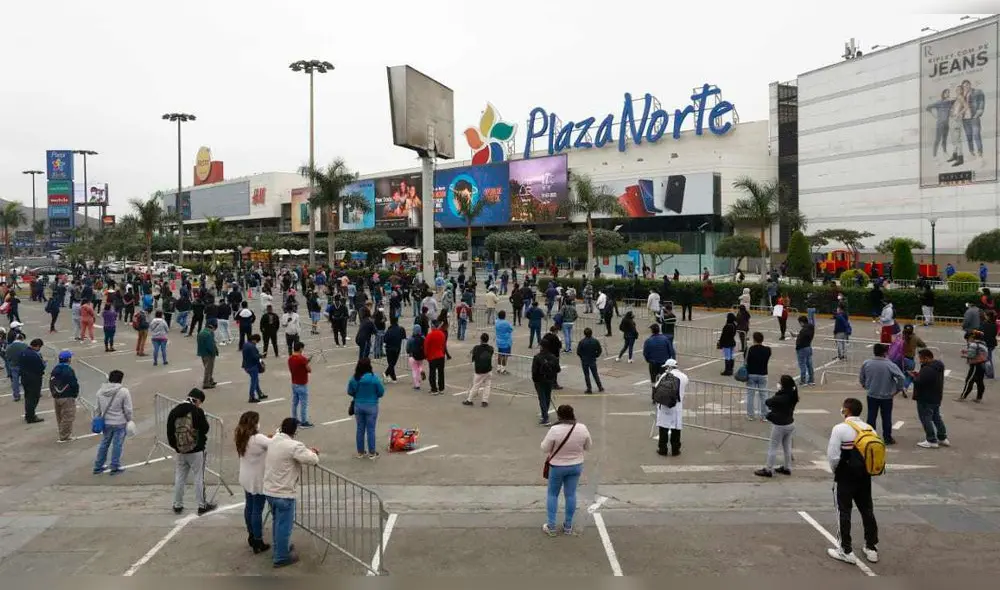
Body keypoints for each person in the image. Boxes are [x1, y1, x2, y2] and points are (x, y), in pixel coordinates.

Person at [825, 398, 879, 566]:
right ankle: (871, 547)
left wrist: (837, 471)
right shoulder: (870, 429)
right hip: (865, 475)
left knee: (844, 511)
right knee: (867, 510)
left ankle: (845, 550)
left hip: (846, 475)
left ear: (846, 411)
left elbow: (833, 455)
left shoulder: (840, 428)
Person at [263, 417, 319, 568]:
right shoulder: (294, 445)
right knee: (284, 526)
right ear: (294, 431)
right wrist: (313, 452)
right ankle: (281, 556)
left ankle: (279, 549)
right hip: (284, 492)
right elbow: (312, 459)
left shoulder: (274, 440)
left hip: (270, 490)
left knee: (277, 522)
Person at [540, 405, 592, 536]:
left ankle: (551, 526)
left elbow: (545, 448)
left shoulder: (554, 429)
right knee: (570, 494)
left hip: (557, 466)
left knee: (553, 494)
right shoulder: (582, 428)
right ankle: (568, 525)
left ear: (559, 416)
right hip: (576, 465)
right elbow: (588, 446)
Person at [168, 388, 217, 515]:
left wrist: (176, 447)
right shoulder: (197, 411)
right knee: (198, 477)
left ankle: (177, 504)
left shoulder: (174, 411)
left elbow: (169, 432)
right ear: (198, 400)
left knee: (179, 477)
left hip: (180, 450)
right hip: (196, 450)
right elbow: (205, 429)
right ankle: (202, 505)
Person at [234, 410, 272, 554]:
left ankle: (251, 534)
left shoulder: (241, 436)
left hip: (245, 477)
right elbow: (273, 443)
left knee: (249, 506)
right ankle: (258, 539)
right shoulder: (258, 438)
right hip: (257, 479)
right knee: (257, 510)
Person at [858, 343, 905, 444]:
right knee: (886, 417)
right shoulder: (890, 365)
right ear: (885, 353)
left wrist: (864, 385)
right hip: (886, 395)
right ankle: (887, 438)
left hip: (872, 394)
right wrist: (898, 389)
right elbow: (901, 377)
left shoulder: (867, 363)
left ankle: (870, 437)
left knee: (871, 416)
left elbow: (861, 376)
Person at [753, 374, 799, 477]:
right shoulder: (793, 394)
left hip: (780, 425)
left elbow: (768, 402)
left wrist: (778, 393)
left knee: (773, 447)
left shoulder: (781, 397)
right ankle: (787, 467)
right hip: (790, 423)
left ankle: (769, 469)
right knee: (787, 447)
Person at [92, 370, 134, 474]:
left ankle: (98, 465)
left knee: (104, 443)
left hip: (106, 422)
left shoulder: (100, 392)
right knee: (117, 445)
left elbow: (97, 409)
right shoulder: (124, 391)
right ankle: (115, 466)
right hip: (120, 421)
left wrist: (98, 419)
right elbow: (128, 409)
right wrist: (129, 420)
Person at [910, 348, 950, 449]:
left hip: (925, 398)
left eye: (921, 359)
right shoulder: (937, 366)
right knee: (936, 417)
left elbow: (919, 382)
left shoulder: (927, 369)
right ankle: (942, 437)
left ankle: (931, 440)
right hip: (936, 397)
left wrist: (913, 377)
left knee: (925, 418)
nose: (920, 361)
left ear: (927, 358)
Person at [348, 358, 385, 459]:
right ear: (369, 366)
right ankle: (372, 452)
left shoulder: (354, 379)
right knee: (371, 430)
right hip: (371, 406)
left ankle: (360, 452)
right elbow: (381, 392)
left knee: (360, 429)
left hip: (358, 406)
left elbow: (350, 391)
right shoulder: (374, 378)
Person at [655, 358, 688, 456]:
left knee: (663, 427)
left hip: (665, 404)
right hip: (677, 405)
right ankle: (675, 450)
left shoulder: (665, 376)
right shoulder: (684, 377)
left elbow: (656, 386)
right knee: (676, 428)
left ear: (669, 367)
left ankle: (662, 449)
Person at [49, 350, 80, 442]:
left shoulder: (55, 369)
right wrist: (75, 394)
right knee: (68, 416)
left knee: (60, 416)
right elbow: (73, 383)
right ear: (68, 359)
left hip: (57, 396)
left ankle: (62, 432)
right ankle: (65, 436)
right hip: (67, 396)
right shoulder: (68, 370)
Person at [531, 340, 561, 426]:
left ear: (541, 346)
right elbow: (558, 369)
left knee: (542, 398)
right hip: (550, 379)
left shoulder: (537, 357)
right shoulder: (553, 357)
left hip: (540, 380)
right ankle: (545, 413)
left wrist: (535, 379)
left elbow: (534, 371)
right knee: (547, 397)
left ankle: (545, 417)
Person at [19, 338, 47, 424]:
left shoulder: (23, 352)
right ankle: (31, 416)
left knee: (28, 397)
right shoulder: (34, 355)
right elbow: (41, 367)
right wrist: (44, 363)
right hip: (34, 379)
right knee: (33, 398)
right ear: (37, 346)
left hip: (25, 378)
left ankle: (28, 415)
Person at [745, 332, 772, 420]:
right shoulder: (767, 350)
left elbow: (746, 361)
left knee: (750, 395)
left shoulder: (749, 349)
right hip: (763, 374)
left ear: (754, 340)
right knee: (763, 395)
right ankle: (764, 415)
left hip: (751, 373)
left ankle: (750, 415)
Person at [463, 333, 494, 407]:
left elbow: (472, 358)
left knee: (476, 385)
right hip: (488, 369)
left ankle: (469, 400)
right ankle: (485, 401)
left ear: (481, 339)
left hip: (479, 370)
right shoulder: (491, 348)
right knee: (487, 385)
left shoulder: (476, 348)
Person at [958, 330, 988, 402]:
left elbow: (972, 355)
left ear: (971, 337)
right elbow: (978, 352)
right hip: (982, 365)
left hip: (975, 365)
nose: (967, 341)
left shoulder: (973, 344)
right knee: (979, 381)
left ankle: (963, 396)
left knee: (969, 380)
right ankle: (979, 398)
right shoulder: (983, 343)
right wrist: (966, 351)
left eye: (967, 339)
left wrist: (964, 356)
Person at [576, 327, 604, 394]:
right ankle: (600, 387)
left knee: (586, 375)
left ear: (584, 334)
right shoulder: (595, 341)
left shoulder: (582, 342)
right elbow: (599, 350)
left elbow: (578, 352)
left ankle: (589, 388)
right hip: (592, 359)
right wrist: (596, 355)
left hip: (585, 360)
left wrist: (582, 357)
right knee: (595, 374)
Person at [424, 320, 447, 395]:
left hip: (432, 356)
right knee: (441, 373)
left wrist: (426, 356)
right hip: (441, 355)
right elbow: (443, 345)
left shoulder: (429, 335)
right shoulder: (442, 334)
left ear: (433, 326)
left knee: (432, 373)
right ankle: (441, 388)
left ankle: (434, 389)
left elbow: (426, 347)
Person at [242, 334, 267, 403]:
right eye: (257, 341)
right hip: (252, 366)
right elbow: (255, 357)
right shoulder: (252, 346)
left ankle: (260, 393)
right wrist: (261, 356)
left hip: (247, 365)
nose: (257, 343)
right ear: (255, 340)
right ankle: (251, 397)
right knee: (254, 382)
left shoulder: (246, 344)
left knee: (256, 380)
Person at [5, 332, 27, 403]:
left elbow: (7, 357)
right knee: (26, 380)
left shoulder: (9, 347)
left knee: (15, 382)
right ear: (21, 339)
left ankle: (16, 396)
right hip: (23, 366)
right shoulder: (24, 346)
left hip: (14, 366)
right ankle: (28, 393)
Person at [383, 315, 405, 383]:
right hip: (397, 348)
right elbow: (403, 337)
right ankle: (388, 374)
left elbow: (385, 339)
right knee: (393, 363)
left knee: (391, 363)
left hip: (389, 348)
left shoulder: (389, 330)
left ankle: (393, 377)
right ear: (397, 321)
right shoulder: (401, 329)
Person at [197, 320, 219, 389]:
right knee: (209, 369)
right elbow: (211, 345)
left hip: (202, 352)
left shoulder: (201, 332)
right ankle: (206, 383)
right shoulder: (209, 333)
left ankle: (210, 380)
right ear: (213, 328)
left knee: (207, 367)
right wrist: (214, 352)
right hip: (209, 354)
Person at [794, 315, 815, 385]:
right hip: (808, 347)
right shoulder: (811, 328)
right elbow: (803, 335)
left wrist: (797, 347)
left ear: (802, 322)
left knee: (802, 365)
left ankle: (803, 381)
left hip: (801, 348)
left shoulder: (803, 330)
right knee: (809, 364)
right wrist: (797, 335)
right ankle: (811, 380)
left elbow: (801, 339)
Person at [406, 324, 427, 390]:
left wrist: (409, 352)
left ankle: (417, 385)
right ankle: (421, 371)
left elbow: (407, 348)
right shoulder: (423, 338)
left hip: (412, 356)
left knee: (414, 370)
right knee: (419, 366)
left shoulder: (411, 339)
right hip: (421, 356)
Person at [494, 309, 513, 375]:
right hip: (506, 341)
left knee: (500, 355)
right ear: (504, 316)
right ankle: (503, 369)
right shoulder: (506, 323)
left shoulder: (496, 322)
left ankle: (498, 368)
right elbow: (511, 330)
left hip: (499, 341)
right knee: (505, 356)